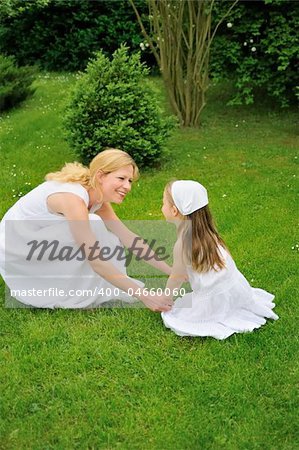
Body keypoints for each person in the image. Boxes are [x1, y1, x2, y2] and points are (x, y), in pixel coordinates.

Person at [0, 149, 173, 311]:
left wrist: (171, 271)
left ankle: (84, 286)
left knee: (109, 238)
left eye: (130, 181)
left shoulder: (97, 199)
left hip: (36, 237)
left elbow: (128, 237)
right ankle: (67, 290)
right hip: (16, 245)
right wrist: (144, 296)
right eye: (121, 178)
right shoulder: (73, 200)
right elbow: (95, 258)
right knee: (94, 228)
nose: (127, 186)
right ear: (100, 176)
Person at [161, 180, 279, 339]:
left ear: (174, 210)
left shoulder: (182, 244)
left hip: (214, 300)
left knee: (176, 316)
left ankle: (218, 313)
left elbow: (177, 277)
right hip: (235, 289)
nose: (161, 208)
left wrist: (165, 298)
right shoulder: (209, 234)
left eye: (163, 203)